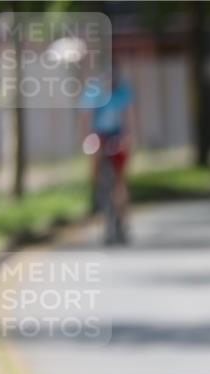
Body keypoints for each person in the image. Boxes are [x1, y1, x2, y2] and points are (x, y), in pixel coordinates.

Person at [81, 65, 136, 243]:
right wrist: (88, 138)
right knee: (95, 161)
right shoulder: (93, 93)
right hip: (99, 135)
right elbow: (87, 119)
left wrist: (128, 138)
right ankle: (95, 193)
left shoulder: (123, 92)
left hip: (117, 134)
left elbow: (129, 117)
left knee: (120, 180)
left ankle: (123, 221)